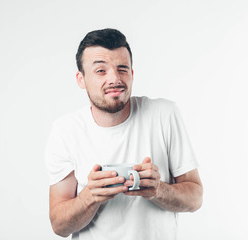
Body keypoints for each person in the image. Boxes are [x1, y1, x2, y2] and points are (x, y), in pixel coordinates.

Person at [45, 28, 203, 240]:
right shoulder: (65, 130)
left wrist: (158, 189)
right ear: (80, 79)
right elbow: (59, 225)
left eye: (122, 69)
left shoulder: (164, 114)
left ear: (132, 74)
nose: (115, 79)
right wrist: (90, 196)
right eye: (101, 71)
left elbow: (195, 199)